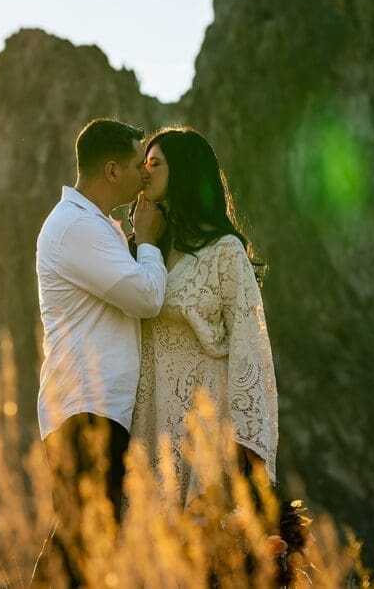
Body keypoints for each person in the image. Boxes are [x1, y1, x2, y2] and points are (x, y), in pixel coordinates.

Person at [32, 118, 168, 587]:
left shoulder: (95, 225)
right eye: (136, 165)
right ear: (112, 171)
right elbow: (147, 297)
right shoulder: (75, 228)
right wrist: (148, 240)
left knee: (87, 542)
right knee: (81, 546)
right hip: (84, 410)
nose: (143, 174)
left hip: (95, 409)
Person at [130, 127, 278, 505]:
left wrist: (249, 443)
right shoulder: (150, 254)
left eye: (154, 163)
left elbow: (250, 346)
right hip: (153, 414)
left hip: (206, 412)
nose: (144, 172)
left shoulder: (225, 251)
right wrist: (143, 239)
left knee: (204, 539)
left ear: (182, 171)